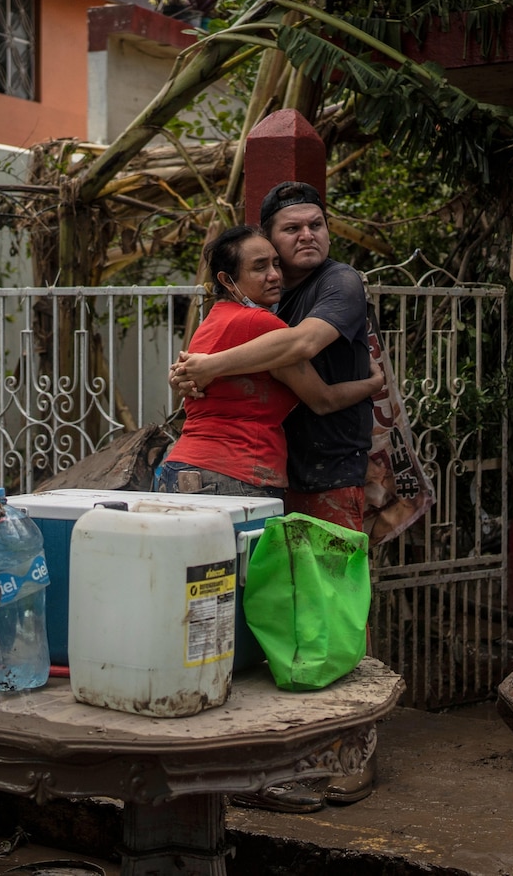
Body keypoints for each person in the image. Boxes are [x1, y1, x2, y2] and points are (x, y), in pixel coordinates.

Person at [171, 182, 378, 812]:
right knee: (282, 617)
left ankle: (352, 755)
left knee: (338, 610)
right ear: (269, 242)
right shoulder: (272, 296)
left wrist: (204, 368)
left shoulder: (339, 285)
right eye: (291, 231)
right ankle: (283, 757)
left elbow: (297, 348)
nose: (307, 236)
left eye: (316, 224)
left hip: (329, 469)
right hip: (269, 476)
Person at [155, 225, 384, 499]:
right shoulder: (261, 324)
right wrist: (374, 383)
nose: (274, 275)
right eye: (260, 267)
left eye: (276, 263)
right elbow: (324, 400)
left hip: (178, 468)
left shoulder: (212, 321)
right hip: (235, 473)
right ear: (227, 280)